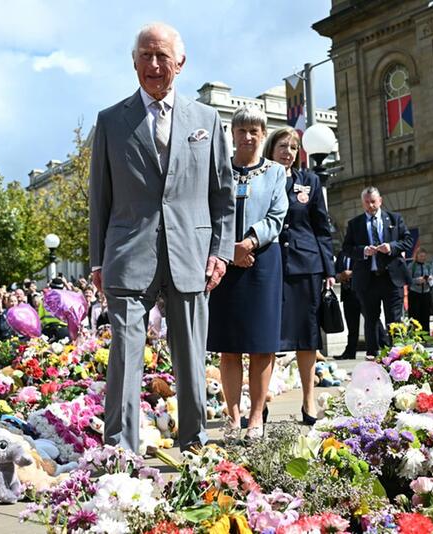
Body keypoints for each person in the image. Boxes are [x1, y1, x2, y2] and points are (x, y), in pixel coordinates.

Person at [89, 22, 235, 452]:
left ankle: (194, 445)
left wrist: (221, 253)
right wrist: (98, 261)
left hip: (190, 253)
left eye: (162, 56)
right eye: (145, 56)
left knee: (191, 358)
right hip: (128, 255)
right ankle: (120, 451)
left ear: (180, 63)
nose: (154, 65)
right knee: (125, 356)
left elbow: (222, 194)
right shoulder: (111, 121)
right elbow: (101, 197)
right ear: (134, 62)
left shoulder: (206, 120)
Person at [207, 105, 287, 441]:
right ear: (232, 134)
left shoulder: (275, 172)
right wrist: (229, 249)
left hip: (262, 263)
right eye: (242, 131)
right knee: (229, 346)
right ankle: (233, 416)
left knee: (260, 346)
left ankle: (256, 417)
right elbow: (211, 213)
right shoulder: (220, 171)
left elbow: (277, 214)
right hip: (224, 264)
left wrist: (250, 242)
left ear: (263, 134)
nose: (248, 136)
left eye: (255, 130)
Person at [267, 126, 335, 425]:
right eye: (282, 146)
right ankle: (262, 401)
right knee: (266, 337)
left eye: (293, 147)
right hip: (270, 265)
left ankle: (308, 401)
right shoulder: (260, 178)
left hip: (307, 265)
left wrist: (329, 269)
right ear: (270, 149)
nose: (288, 152)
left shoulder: (310, 180)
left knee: (307, 338)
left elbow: (322, 227)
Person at [341, 187, 414, 356]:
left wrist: (391, 247)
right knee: (371, 320)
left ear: (380, 200)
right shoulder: (355, 224)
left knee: (394, 321)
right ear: (362, 203)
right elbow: (346, 248)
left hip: (391, 278)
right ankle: (373, 357)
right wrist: (363, 251)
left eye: (373, 201)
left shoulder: (395, 219)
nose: (370, 205)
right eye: (366, 202)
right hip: (367, 279)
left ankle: (397, 357)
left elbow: (408, 240)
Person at [406, 249, 433, 331]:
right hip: (415, 293)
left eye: (424, 256)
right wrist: (417, 280)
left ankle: (426, 335)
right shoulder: (411, 266)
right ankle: (414, 335)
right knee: (414, 315)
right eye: (421, 256)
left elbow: (431, 277)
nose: (423, 258)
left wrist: (430, 279)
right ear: (416, 256)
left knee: (425, 315)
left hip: (426, 293)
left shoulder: (428, 266)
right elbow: (408, 279)